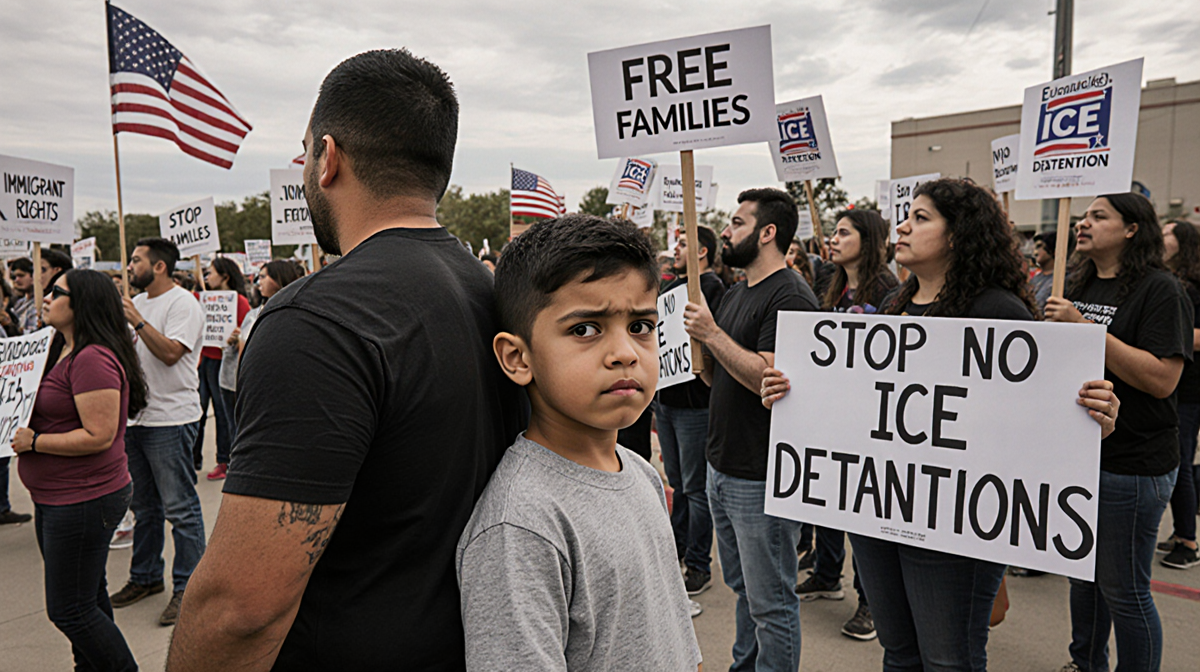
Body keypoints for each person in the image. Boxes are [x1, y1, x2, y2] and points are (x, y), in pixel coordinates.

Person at [166, 49, 522, 672]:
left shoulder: (316, 323)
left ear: (328, 158)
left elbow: (243, 610)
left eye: (303, 152)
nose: (303, 166)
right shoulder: (496, 291)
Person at [763, 178, 1121, 672]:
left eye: (922, 217)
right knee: (899, 653)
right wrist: (791, 393)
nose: (903, 226)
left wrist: (1088, 419)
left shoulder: (997, 310)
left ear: (958, 234)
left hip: (952, 527)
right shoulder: (893, 307)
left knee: (949, 660)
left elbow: (1036, 417)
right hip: (877, 513)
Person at [457, 214, 701, 670]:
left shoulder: (643, 473)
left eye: (641, 327)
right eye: (585, 329)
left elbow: (676, 632)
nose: (626, 352)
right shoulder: (521, 525)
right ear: (517, 357)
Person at [1047, 193, 1192, 672]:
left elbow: (1161, 378)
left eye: (1098, 216)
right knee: (1082, 579)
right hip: (1081, 458)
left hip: (1133, 465)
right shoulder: (1076, 283)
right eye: (1083, 215)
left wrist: (1084, 328)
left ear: (1132, 229)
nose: (1084, 223)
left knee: (1124, 591)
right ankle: (1085, 662)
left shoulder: (1160, 290)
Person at [682, 187, 818, 672]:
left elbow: (770, 379)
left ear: (768, 233)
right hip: (723, 466)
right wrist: (704, 358)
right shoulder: (740, 290)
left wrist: (712, 334)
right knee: (745, 592)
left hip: (760, 473)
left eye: (737, 223)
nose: (725, 230)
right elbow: (725, 373)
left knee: (771, 604)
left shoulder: (791, 296)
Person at [12, 269, 147, 671]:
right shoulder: (59, 348)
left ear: (82, 303)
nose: (46, 296)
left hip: (83, 499)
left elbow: (98, 435)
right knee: (87, 596)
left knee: (70, 610)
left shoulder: (92, 359)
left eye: (57, 291)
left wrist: (34, 443)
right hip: (57, 498)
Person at [794, 208, 898, 642]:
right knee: (831, 501)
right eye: (832, 232)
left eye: (843, 233)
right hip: (835, 413)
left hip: (872, 418)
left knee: (868, 514)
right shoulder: (832, 284)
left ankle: (871, 603)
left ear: (868, 240)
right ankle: (827, 573)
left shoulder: (891, 291)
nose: (832, 240)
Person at [110, 237, 207, 627]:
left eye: (136, 260)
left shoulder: (183, 303)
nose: (129, 267)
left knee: (180, 508)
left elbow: (170, 353)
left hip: (171, 419)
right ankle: (146, 577)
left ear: (160, 266)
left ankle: (189, 588)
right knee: (144, 508)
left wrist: (136, 320)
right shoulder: (140, 303)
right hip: (136, 419)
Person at [656, 224, 725, 598]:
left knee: (696, 489)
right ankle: (677, 550)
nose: (677, 249)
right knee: (678, 484)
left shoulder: (711, 289)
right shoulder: (669, 288)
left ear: (702, 252)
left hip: (695, 406)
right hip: (666, 402)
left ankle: (699, 564)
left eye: (684, 244)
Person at [1158, 219, 1200, 569]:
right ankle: (1179, 533)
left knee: (1181, 462)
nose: (1160, 238)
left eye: (1168, 233)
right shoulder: (1166, 282)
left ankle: (1188, 539)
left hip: (1188, 388)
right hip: (1175, 388)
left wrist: (1169, 333)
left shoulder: (1192, 287)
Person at [194, 257, 251, 480]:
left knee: (223, 413)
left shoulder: (240, 302)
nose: (207, 277)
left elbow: (246, 333)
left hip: (223, 362)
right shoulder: (199, 299)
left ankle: (224, 460)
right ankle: (193, 459)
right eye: (205, 273)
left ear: (225, 276)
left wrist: (237, 336)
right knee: (197, 411)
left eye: (211, 273)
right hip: (204, 360)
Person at [1031, 231, 1074, 312]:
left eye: (1039, 246)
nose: (1035, 252)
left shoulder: (1065, 279)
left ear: (1053, 249)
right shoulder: (1034, 279)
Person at [9, 257, 40, 335]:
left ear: (32, 276)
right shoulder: (18, 303)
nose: (17, 280)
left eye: (21, 275)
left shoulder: (40, 302)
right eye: (14, 277)